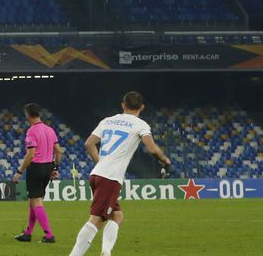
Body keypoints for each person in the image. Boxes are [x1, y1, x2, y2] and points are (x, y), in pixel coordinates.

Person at [68, 91, 172, 256]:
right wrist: (165, 160)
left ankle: (106, 251)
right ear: (142, 107)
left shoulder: (107, 121)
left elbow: (89, 144)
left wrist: (100, 162)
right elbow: (152, 148)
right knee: (96, 219)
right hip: (110, 178)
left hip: (97, 174)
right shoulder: (140, 125)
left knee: (117, 216)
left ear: (123, 105)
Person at [14, 103, 63, 243]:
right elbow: (59, 151)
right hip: (47, 167)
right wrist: (55, 168)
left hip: (36, 168)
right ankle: (28, 233)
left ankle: (49, 235)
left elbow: (30, 154)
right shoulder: (50, 130)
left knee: (36, 201)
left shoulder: (32, 131)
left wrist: (19, 171)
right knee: (33, 200)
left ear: (27, 115)